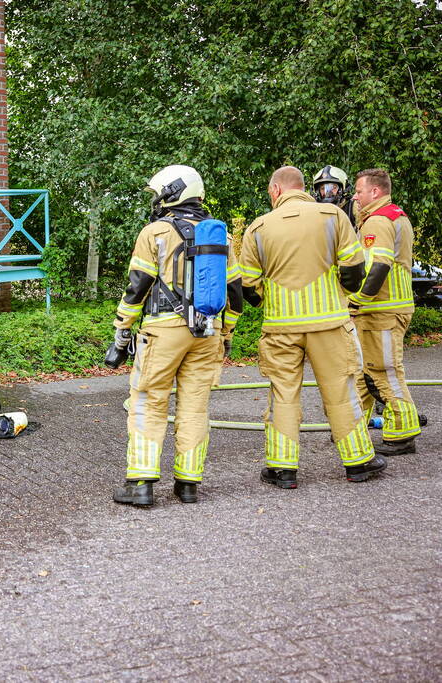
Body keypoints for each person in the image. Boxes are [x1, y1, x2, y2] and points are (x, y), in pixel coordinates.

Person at [239, 166, 386, 488]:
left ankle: (282, 469)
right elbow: (354, 269)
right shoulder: (333, 216)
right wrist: (340, 294)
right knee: (341, 391)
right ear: (304, 187)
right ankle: (358, 462)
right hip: (329, 323)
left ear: (276, 190)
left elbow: (247, 285)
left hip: (280, 328)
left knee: (283, 395)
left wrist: (268, 302)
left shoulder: (258, 227)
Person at [107, 165, 243, 506]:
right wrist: (226, 332)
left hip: (163, 331)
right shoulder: (222, 237)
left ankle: (140, 483)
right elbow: (236, 293)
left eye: (159, 194)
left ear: (173, 193)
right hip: (207, 332)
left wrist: (123, 327)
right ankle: (188, 484)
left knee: (148, 401)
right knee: (195, 407)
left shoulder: (154, 232)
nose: (156, 200)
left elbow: (138, 286)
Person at [348, 168, 421, 454]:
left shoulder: (378, 221)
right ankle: (352, 427)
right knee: (364, 372)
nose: (355, 196)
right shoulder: (394, 216)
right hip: (386, 308)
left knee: (383, 372)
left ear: (375, 191)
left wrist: (357, 301)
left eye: (359, 191)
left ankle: (402, 433)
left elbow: (378, 266)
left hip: (382, 311)